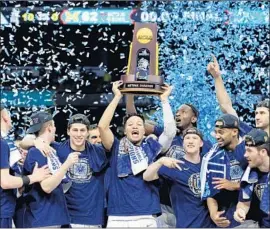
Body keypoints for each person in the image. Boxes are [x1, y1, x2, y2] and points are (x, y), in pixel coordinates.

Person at [98, 81, 176, 227]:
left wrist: (164, 100)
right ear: (124, 130)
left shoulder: (153, 147)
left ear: (144, 130)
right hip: (117, 216)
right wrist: (117, 97)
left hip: (145, 214)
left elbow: (170, 132)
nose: (135, 126)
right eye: (130, 124)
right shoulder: (115, 147)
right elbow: (102, 126)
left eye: (139, 124)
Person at [21, 113, 108, 228]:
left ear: (87, 132)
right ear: (68, 131)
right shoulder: (56, 149)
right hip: (66, 219)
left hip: (92, 219)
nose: (78, 134)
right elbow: (24, 142)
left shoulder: (99, 152)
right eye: (75, 130)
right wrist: (36, 142)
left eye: (82, 130)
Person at [143, 127, 215, 228]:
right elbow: (147, 177)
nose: (190, 141)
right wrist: (160, 161)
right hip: (187, 225)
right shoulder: (174, 165)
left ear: (201, 143)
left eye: (194, 138)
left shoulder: (210, 165)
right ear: (182, 144)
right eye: (187, 138)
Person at [23, 111, 80, 228]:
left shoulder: (53, 148)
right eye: (53, 126)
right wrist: (67, 164)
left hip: (56, 217)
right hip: (43, 219)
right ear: (49, 128)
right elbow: (47, 187)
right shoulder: (35, 152)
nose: (55, 129)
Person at [0, 104, 51, 228]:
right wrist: (34, 177)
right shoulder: (2, 144)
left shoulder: (6, 143)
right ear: (5, 117)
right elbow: (5, 182)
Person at [200, 114, 249, 228]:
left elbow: (262, 182)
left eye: (221, 132)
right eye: (216, 132)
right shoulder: (213, 156)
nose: (217, 136)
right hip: (228, 216)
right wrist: (213, 213)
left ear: (234, 132)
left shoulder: (249, 149)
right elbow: (210, 189)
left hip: (253, 215)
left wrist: (235, 185)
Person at [207, 54, 269, 136]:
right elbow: (226, 106)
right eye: (256, 113)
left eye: (262, 113)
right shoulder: (249, 134)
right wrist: (217, 77)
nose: (257, 117)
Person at [234, 129, 269, 228]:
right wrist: (240, 212)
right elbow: (244, 203)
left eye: (249, 151)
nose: (245, 155)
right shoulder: (249, 173)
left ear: (263, 152)